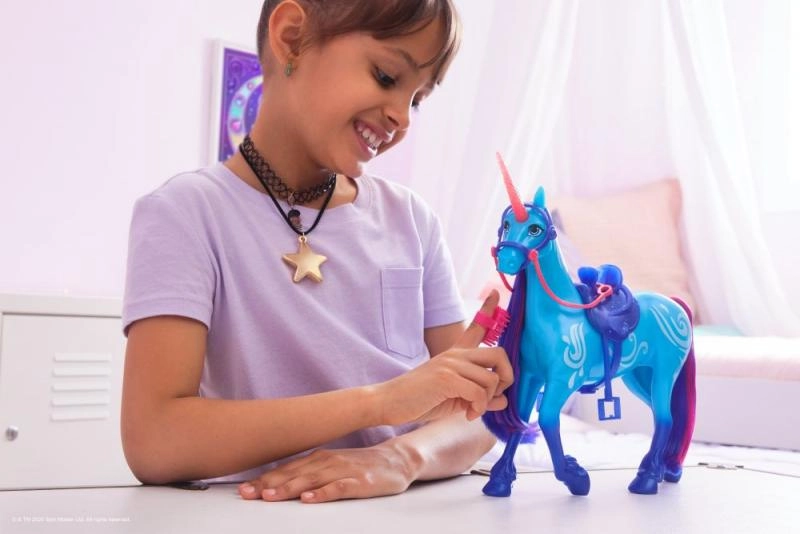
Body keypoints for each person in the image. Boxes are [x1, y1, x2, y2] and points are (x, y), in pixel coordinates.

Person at [121, 0, 512, 504]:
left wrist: (400, 458)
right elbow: (154, 440)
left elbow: (478, 413)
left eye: (417, 99)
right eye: (387, 76)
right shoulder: (186, 212)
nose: (401, 117)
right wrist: (380, 403)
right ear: (292, 38)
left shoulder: (412, 220)